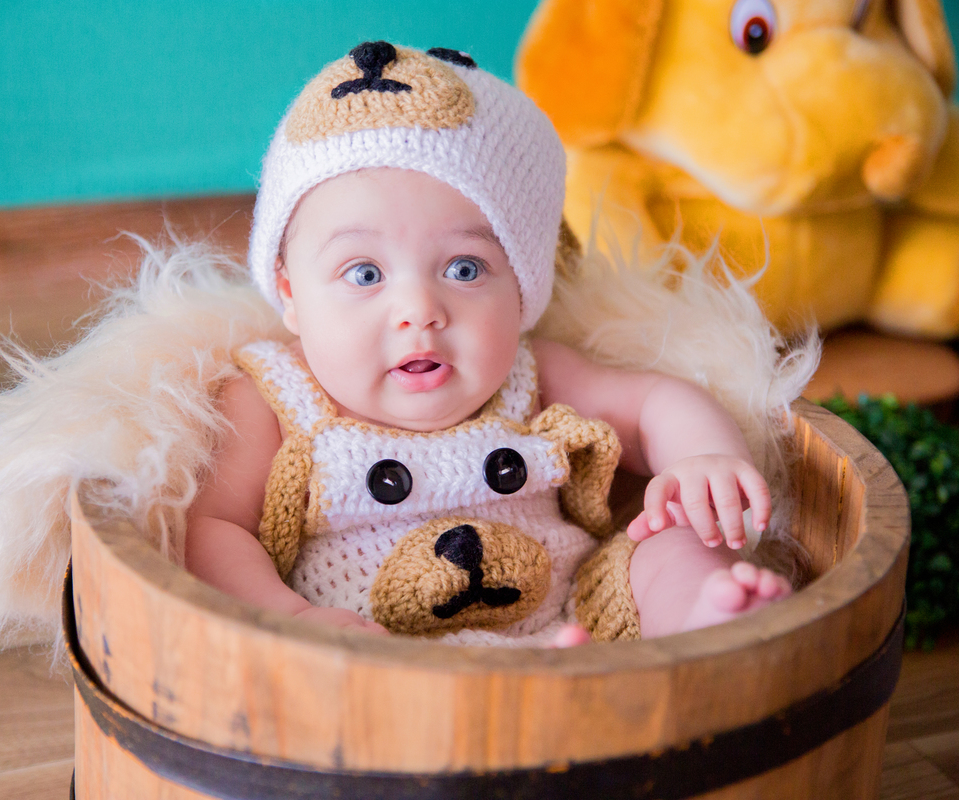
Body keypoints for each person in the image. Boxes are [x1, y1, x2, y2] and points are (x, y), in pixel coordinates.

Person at [184, 41, 791, 646]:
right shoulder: (274, 401)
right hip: (373, 656)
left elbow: (653, 404)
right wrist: (290, 620)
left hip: (573, 622)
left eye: (465, 269)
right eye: (364, 274)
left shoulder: (531, 377)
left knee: (667, 539)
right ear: (290, 294)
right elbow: (213, 529)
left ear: (523, 292)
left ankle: (705, 623)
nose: (419, 312)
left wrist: (700, 457)